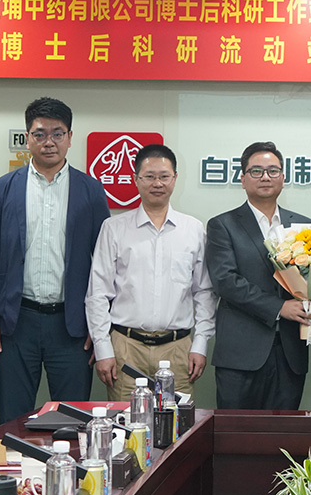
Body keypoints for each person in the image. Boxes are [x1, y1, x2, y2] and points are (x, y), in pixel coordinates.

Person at [0, 97, 110, 423]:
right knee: (12, 419)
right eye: (39, 134)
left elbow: (105, 263)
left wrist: (100, 327)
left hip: (72, 326)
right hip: (15, 323)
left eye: (57, 134)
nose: (48, 142)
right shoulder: (5, 187)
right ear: (28, 138)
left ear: (70, 137)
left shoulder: (90, 190)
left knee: (72, 421)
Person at [86, 144, 215, 400]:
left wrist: (200, 345)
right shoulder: (113, 228)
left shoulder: (193, 229)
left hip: (177, 349)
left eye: (164, 176)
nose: (157, 183)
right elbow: (97, 294)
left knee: (176, 422)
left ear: (175, 179)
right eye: (149, 176)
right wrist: (103, 350)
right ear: (136, 179)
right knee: (125, 422)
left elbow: (204, 292)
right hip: (125, 348)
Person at [207, 142, 311, 410]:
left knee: (283, 431)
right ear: (243, 179)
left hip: (290, 353)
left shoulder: (306, 227)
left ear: (283, 178)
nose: (265, 177)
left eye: (272, 171)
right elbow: (225, 281)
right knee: (235, 431)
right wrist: (279, 307)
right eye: (256, 171)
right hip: (240, 354)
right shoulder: (222, 225)